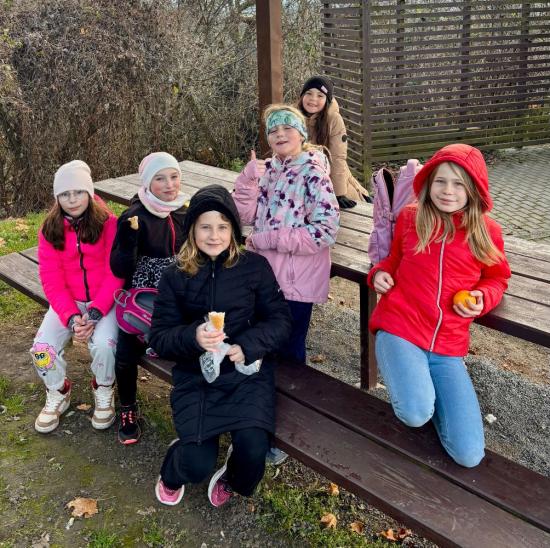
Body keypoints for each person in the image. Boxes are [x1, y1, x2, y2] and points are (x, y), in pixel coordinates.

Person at [366, 143, 511, 467]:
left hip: (447, 347)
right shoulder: (411, 217)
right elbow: (392, 261)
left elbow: (498, 279)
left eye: (459, 184)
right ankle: (419, 391)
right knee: (415, 412)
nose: (447, 191)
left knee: (469, 455)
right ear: (429, 182)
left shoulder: (487, 232)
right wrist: (378, 274)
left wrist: (482, 298)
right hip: (400, 330)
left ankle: (428, 392)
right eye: (440, 181)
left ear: (474, 189)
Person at [149, 184, 291, 508]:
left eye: (223, 227)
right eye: (205, 227)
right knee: (196, 464)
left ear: (233, 231)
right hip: (197, 377)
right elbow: (158, 337)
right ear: (192, 230)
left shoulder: (254, 267)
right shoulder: (175, 275)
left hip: (246, 376)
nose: (214, 236)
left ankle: (232, 476)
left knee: (253, 452)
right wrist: (193, 337)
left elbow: (280, 320)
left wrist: (249, 345)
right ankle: (173, 467)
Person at [233, 103, 340, 465]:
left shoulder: (314, 173)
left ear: (302, 134)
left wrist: (271, 239)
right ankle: (258, 420)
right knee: (263, 349)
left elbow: (325, 231)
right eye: (272, 130)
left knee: (290, 353)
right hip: (264, 279)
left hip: (295, 285)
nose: (279, 134)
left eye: (287, 128)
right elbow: (245, 215)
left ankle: (288, 429)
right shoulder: (269, 170)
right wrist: (247, 179)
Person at [31, 160, 124, 434]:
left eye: (79, 192)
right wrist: (71, 317)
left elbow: (115, 272)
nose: (72, 200)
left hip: (103, 303)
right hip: (68, 305)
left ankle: (104, 387)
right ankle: (58, 390)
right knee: (41, 349)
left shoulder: (108, 223)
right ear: (56, 197)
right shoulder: (49, 229)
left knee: (105, 346)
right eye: (64, 194)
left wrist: (95, 312)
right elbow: (51, 278)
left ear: (89, 192)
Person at [110, 152, 187, 444]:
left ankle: (194, 409)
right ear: (147, 183)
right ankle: (128, 406)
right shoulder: (134, 217)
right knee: (125, 354)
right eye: (160, 179)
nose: (169, 185)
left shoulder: (183, 212)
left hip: (175, 298)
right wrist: (128, 241)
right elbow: (119, 268)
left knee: (193, 346)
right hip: (141, 300)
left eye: (174, 177)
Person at [298, 75, 370, 209]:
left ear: (327, 100)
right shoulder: (293, 116)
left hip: (333, 179)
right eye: (309, 93)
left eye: (320, 95)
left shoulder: (333, 120)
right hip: (303, 183)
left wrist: (339, 193)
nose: (313, 99)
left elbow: (337, 157)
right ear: (302, 96)